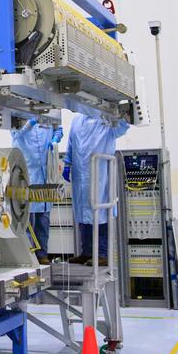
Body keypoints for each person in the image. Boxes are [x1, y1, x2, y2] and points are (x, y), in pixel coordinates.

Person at [62, 112, 129, 264]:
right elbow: (71, 142)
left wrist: (126, 117)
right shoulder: (77, 120)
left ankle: (102, 254)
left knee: (100, 212)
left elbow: (120, 129)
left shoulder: (105, 118)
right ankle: (86, 252)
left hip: (99, 173)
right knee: (82, 214)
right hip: (80, 174)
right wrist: (67, 163)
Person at [12, 118, 62, 264]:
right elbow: (16, 134)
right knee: (27, 220)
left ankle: (42, 255)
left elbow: (58, 128)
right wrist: (31, 122)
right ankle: (29, 257)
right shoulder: (18, 113)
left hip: (44, 175)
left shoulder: (48, 114)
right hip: (26, 175)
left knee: (43, 220)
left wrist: (55, 139)